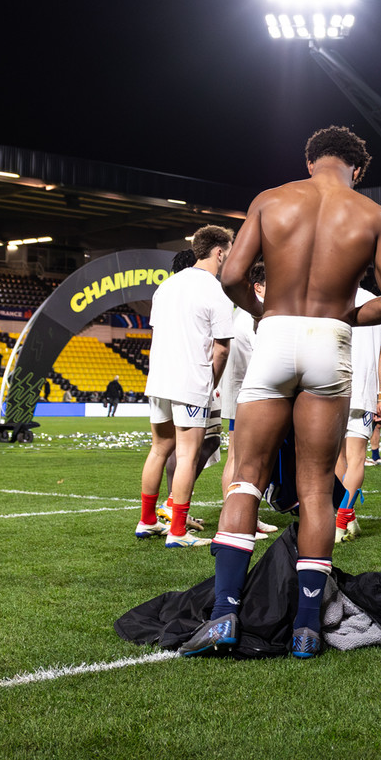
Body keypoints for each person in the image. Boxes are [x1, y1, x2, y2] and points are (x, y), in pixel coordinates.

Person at [179, 126, 381, 659]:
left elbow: (232, 275)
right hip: (331, 339)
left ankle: (223, 617)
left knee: (245, 479)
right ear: (358, 167)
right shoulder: (374, 216)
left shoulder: (271, 200)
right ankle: (307, 627)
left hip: (277, 333)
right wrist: (347, 315)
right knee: (314, 489)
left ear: (310, 161)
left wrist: (264, 314)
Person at [136, 225, 234, 547]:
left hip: (159, 378)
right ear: (219, 251)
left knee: (159, 449)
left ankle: (148, 520)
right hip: (190, 380)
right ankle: (177, 531)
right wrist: (212, 383)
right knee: (188, 454)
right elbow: (221, 348)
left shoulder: (166, 287)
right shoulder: (215, 290)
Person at [335, 281, 381, 542]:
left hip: (331, 388)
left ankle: (341, 517)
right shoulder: (379, 303)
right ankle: (344, 517)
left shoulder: (328, 295)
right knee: (357, 458)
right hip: (363, 391)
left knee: (337, 458)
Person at [218, 261, 277, 539]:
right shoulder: (253, 316)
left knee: (241, 456)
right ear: (258, 287)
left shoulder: (241, 314)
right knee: (239, 458)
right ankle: (237, 518)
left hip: (237, 392)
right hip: (245, 394)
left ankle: (245, 516)